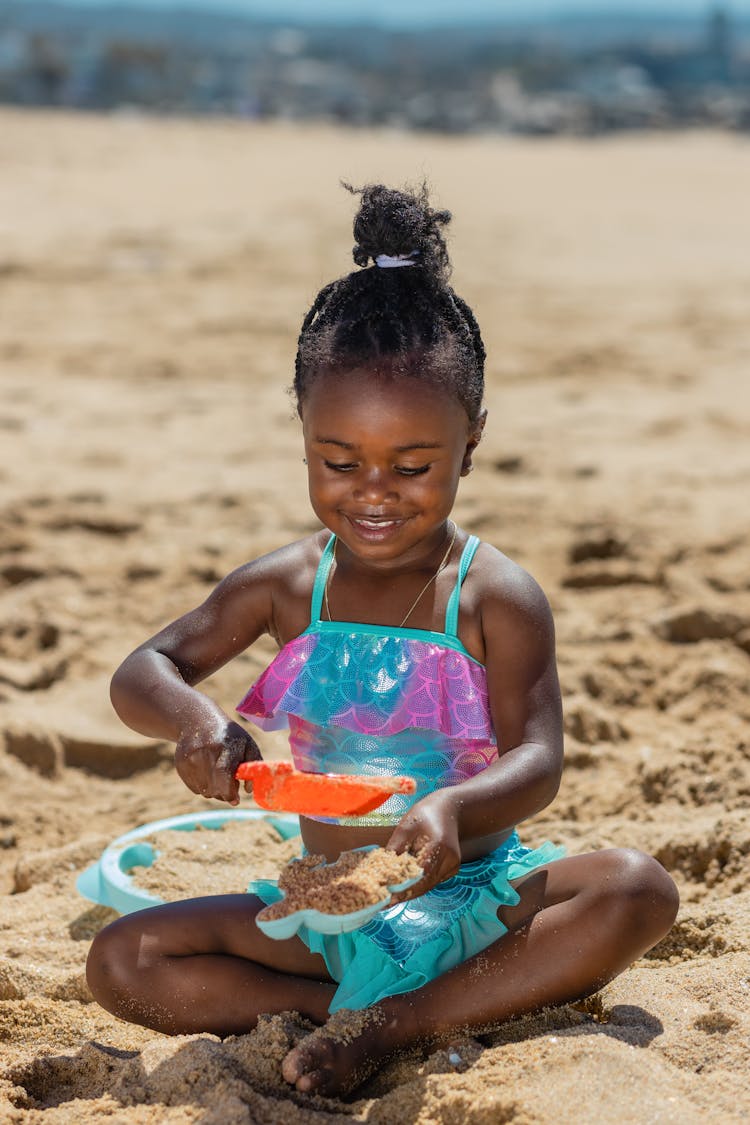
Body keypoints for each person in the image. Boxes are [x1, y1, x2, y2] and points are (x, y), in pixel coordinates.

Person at [86, 183, 679, 1098]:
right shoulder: (288, 585)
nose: (374, 491)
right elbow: (145, 669)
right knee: (125, 957)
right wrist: (193, 721)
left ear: (470, 442)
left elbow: (541, 755)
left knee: (637, 889)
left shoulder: (492, 594)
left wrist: (454, 809)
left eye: (413, 466)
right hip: (326, 910)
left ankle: (397, 1020)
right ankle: (368, 1010)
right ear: (304, 435)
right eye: (338, 462)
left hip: (469, 900)